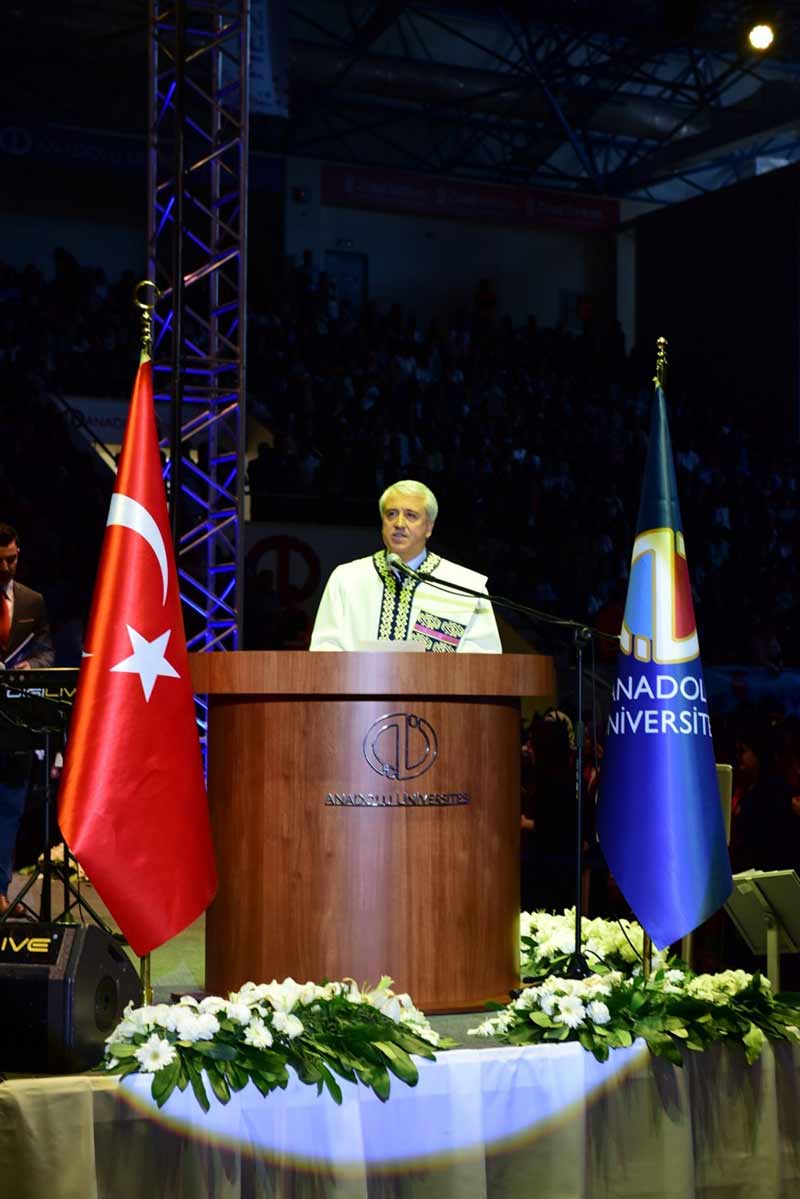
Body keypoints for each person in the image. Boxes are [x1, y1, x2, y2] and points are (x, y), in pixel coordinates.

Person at [310, 480, 501, 653]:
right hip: (357, 690)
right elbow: (325, 650)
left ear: (429, 527)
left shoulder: (465, 586)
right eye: (391, 514)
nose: (399, 523)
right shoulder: (346, 578)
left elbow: (483, 663)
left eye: (411, 515)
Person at [0, 523, 55, 917]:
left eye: (13, 558)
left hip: (16, 723)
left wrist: (30, 664)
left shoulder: (32, 601)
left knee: (9, 809)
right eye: (1, 561)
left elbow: (48, 652)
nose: (8, 567)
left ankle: (0, 894)